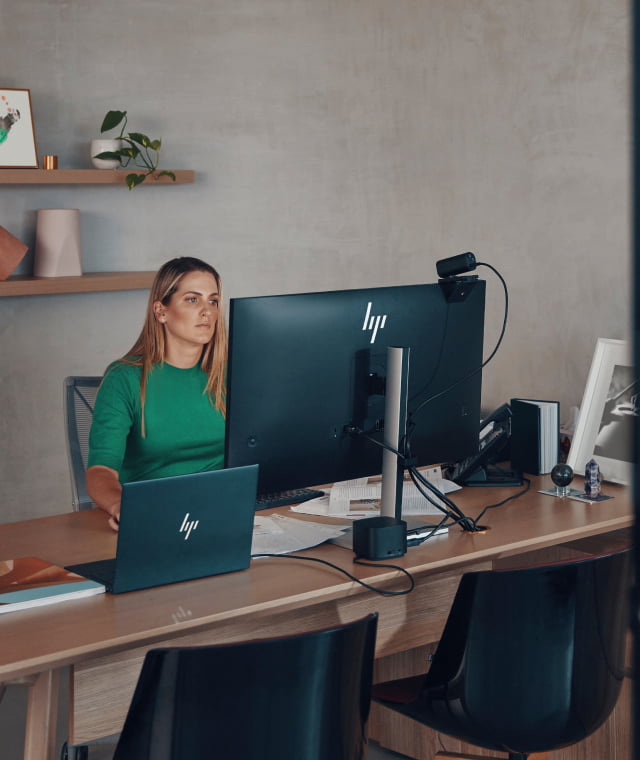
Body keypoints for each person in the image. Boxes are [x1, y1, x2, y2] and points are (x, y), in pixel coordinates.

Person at [86, 257, 227, 531]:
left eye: (213, 301)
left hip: (221, 511)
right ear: (161, 311)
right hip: (154, 516)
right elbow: (100, 471)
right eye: (191, 300)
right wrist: (120, 505)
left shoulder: (228, 373)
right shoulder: (124, 378)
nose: (207, 311)